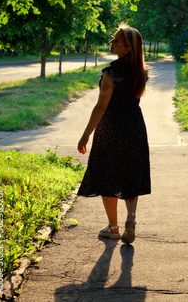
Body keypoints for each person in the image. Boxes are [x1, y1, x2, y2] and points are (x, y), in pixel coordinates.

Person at [77, 24, 151, 244]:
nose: (111, 43)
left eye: (116, 41)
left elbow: (101, 107)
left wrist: (86, 134)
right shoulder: (141, 72)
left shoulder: (111, 73)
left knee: (107, 175)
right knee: (131, 174)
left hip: (111, 127)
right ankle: (131, 217)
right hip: (135, 127)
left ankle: (113, 226)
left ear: (127, 49)